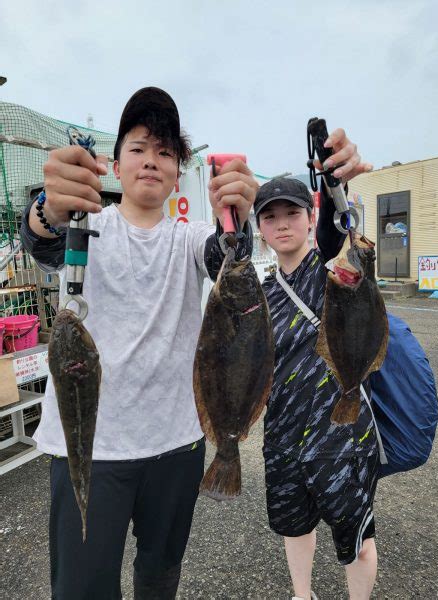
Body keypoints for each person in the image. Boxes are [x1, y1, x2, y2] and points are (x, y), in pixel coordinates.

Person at [21, 87, 257, 600]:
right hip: (90, 447)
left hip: (177, 444)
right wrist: (46, 208)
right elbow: (43, 238)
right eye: (139, 148)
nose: (152, 161)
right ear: (114, 162)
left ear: (179, 169)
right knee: (82, 587)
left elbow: (228, 258)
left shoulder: (190, 238)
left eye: (166, 152)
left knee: (159, 575)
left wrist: (239, 216)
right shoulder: (85, 225)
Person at [254, 132, 378, 600]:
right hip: (283, 435)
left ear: (309, 219)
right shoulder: (258, 295)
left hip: (343, 436)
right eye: (270, 217)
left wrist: (331, 183)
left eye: (292, 213)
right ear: (260, 228)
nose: (282, 224)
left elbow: (336, 231)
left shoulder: (333, 270)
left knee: (359, 545)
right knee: (294, 527)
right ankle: (301, 595)